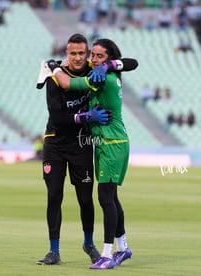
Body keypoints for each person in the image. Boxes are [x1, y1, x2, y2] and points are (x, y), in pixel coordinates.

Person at [37, 34, 136, 266]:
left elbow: (132, 63)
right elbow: (57, 116)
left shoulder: (96, 70)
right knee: (54, 196)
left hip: (84, 143)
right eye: (74, 53)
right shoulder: (56, 77)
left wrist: (110, 64)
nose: (80, 58)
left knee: (87, 198)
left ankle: (91, 245)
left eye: (84, 53)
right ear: (67, 54)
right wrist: (85, 116)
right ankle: (54, 250)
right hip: (56, 142)